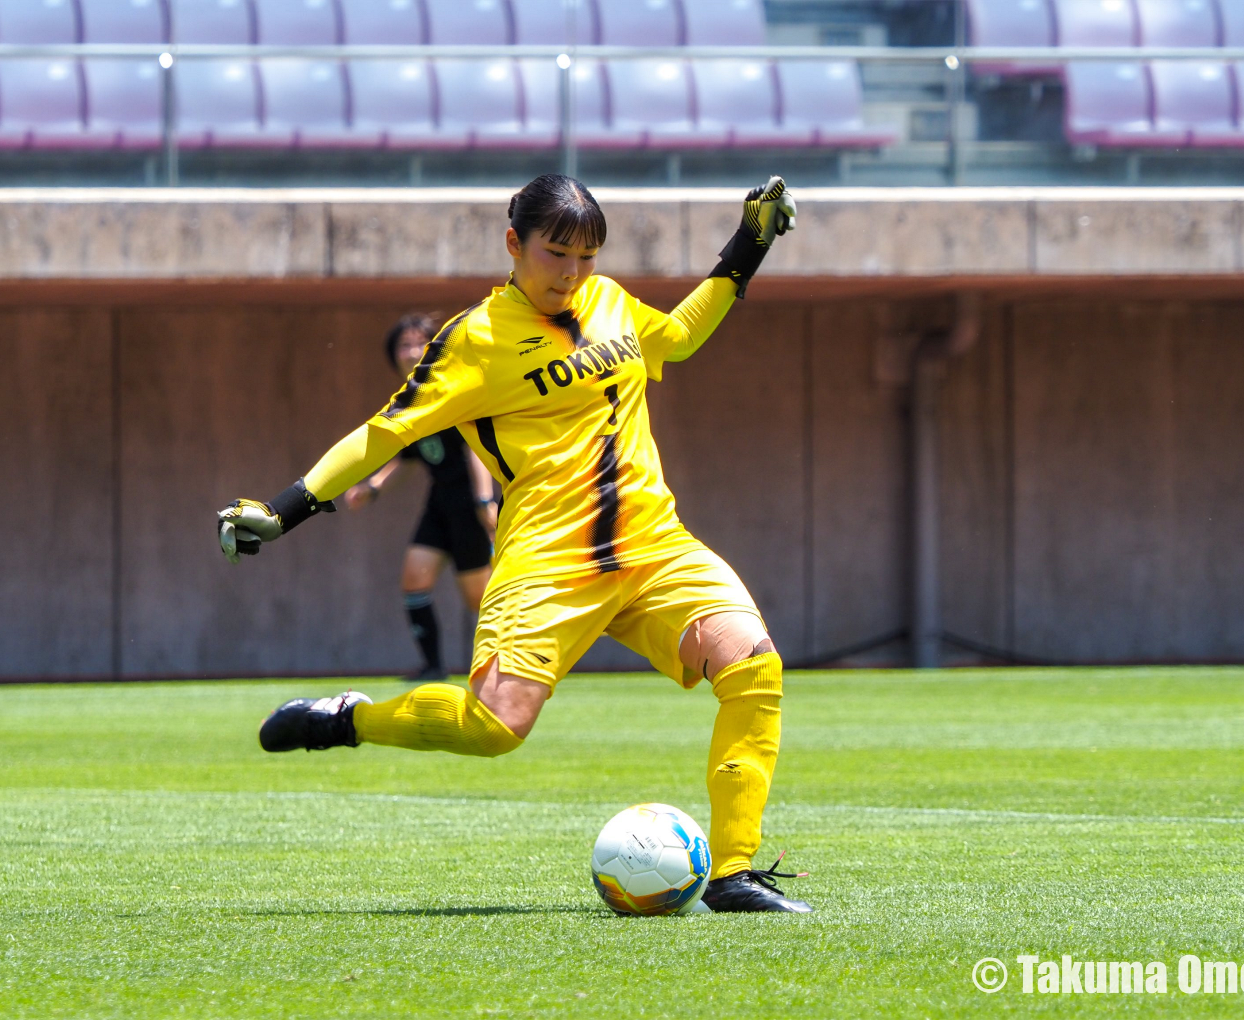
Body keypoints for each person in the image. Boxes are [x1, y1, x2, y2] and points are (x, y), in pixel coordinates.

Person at [217, 174, 806, 912]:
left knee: (753, 666)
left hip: (655, 545)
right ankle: (350, 718)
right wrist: (285, 509)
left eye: (586, 257)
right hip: (548, 562)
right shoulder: (472, 341)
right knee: (494, 728)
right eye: (556, 254)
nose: (572, 273)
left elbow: (680, 338)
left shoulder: (610, 300)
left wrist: (749, 242)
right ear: (512, 245)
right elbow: (383, 433)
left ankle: (734, 873)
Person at [344, 314, 498, 681]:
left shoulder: (454, 390)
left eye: (420, 343)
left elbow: (474, 449)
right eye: (404, 345)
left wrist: (483, 501)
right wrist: (373, 487)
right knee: (414, 579)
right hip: (439, 505)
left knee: (480, 600)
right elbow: (408, 456)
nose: (412, 352)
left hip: (468, 507)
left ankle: (510, 665)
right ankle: (432, 668)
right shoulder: (410, 401)